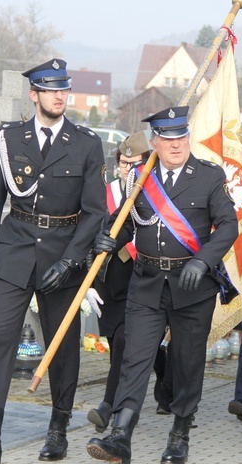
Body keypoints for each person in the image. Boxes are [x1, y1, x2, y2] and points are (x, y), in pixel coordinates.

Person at [0, 59, 106, 464]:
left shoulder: (86, 143)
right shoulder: (10, 138)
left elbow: (95, 212)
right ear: (34, 94)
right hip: (14, 249)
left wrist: (73, 259)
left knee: (62, 348)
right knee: (0, 341)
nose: (60, 95)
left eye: (64, 89)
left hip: (63, 254)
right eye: (51, 89)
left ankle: (58, 430)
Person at [85, 106, 238, 464]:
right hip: (147, 283)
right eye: (168, 139)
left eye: (181, 137)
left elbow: (228, 226)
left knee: (186, 363)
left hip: (191, 285)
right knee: (135, 359)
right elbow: (126, 220)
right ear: (154, 142)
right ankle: (121, 434)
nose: (176, 145)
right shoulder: (141, 177)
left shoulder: (208, 176)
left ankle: (180, 432)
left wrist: (203, 261)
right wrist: (108, 238)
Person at [84, 132, 173, 431]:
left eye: (134, 163)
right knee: (123, 346)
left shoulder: (156, 195)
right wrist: (90, 284)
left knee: (125, 345)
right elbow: (91, 240)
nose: (127, 169)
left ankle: (109, 406)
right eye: (123, 163)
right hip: (110, 281)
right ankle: (163, 380)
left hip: (140, 281)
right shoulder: (106, 194)